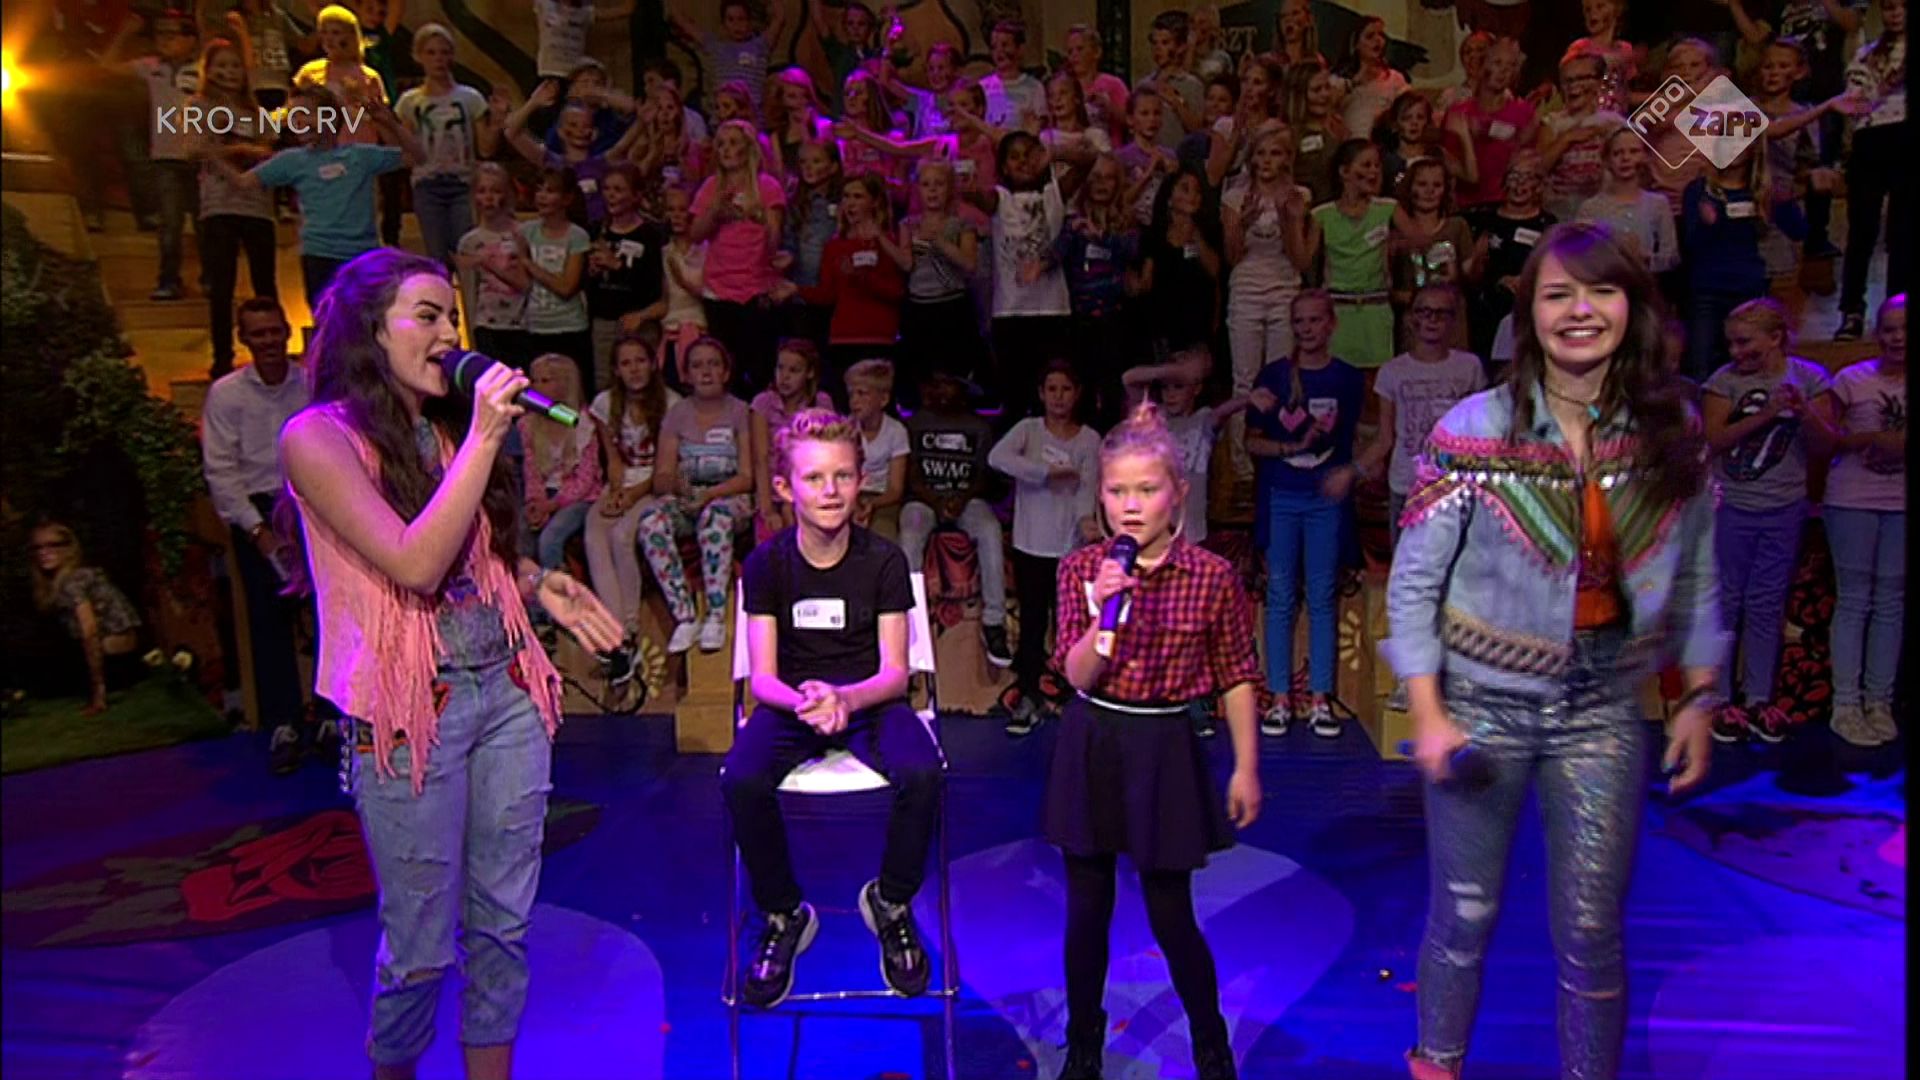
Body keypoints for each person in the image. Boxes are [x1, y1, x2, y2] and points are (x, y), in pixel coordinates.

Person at [1384, 223, 1724, 1080]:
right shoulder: (1472, 430)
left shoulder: (1669, 429)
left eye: (1601, 291)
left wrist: (1698, 696)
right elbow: (1413, 585)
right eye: (1558, 293)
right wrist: (1427, 711)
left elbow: (1697, 574)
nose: (1580, 310)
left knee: (1591, 930)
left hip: (1603, 708)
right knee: (1463, 917)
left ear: (1632, 307)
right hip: (1480, 707)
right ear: (1528, 313)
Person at [274, 248, 622, 1080]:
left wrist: (536, 583)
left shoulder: (443, 432)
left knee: (503, 928)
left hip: (504, 694)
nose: (448, 336)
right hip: (410, 713)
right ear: (371, 329)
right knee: (422, 947)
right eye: (427, 316)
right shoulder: (316, 438)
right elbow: (415, 561)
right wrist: (487, 435)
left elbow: (472, 558)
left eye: (453, 319)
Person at [1047, 400, 1263, 1080]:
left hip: (1165, 744)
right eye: (1117, 491)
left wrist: (1246, 767)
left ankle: (1209, 1041)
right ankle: (1084, 1043)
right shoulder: (1080, 569)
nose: (1131, 506)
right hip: (1094, 738)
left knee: (1171, 913)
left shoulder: (1212, 576)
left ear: (1178, 495)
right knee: (1087, 911)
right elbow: (1076, 673)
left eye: (1146, 490)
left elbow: (1236, 675)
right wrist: (1102, 612)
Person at [722, 408, 943, 1008]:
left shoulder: (884, 561)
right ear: (784, 487)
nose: (829, 490)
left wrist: (846, 698)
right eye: (814, 478)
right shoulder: (766, 564)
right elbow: (763, 678)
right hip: (792, 704)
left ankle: (891, 900)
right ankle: (784, 912)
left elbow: (895, 673)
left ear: (860, 480)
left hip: (869, 700)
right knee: (741, 777)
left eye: (842, 476)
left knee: (923, 772)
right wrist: (810, 702)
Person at [1701, 298, 1836, 744]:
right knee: (1727, 602)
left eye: (1745, 342)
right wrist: (1766, 414)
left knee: (1766, 603)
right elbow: (1714, 439)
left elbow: (1826, 446)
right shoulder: (1723, 382)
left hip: (1785, 508)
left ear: (1776, 337)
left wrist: (1803, 412)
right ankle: (1720, 700)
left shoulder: (1810, 378)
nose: (1736, 352)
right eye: (1731, 343)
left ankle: (1759, 698)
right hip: (1732, 507)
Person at [201, 298, 319, 773]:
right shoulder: (226, 395)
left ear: (287, 331)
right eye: (258, 333)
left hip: (313, 505)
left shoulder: (310, 384)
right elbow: (221, 472)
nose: (269, 341)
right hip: (258, 512)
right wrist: (259, 532)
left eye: (275, 331)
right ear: (243, 339)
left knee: (330, 615)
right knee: (268, 622)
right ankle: (283, 724)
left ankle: (333, 718)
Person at [1248, 291, 1366, 738]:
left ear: (1331, 323)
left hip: (1325, 501)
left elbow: (1361, 438)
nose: (1306, 329)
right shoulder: (1274, 375)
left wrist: (1352, 473)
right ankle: (1279, 698)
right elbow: (1251, 441)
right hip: (1282, 494)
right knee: (1279, 595)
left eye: (1315, 320)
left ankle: (1320, 699)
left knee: (1321, 596)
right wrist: (1289, 447)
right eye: (1299, 321)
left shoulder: (1347, 378)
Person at [988, 360, 1101, 735]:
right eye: (1051, 389)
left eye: (1065, 389)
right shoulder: (1028, 430)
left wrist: (1086, 523)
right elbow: (997, 458)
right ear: (1041, 393)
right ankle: (1028, 696)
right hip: (1031, 544)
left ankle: (1072, 698)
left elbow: (1088, 487)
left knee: (1072, 626)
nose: (1058, 397)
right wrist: (1045, 473)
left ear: (1077, 393)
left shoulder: (1089, 440)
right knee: (1033, 624)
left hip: (1070, 549)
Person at [1824, 293, 1907, 747]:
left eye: (1905, 330)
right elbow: (1826, 439)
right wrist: (1868, 439)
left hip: (1901, 504)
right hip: (1852, 500)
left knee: (1890, 601)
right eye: (1890, 329)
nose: (1898, 338)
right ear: (1878, 333)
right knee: (1855, 599)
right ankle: (1845, 705)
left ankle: (1879, 702)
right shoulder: (1851, 379)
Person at [638, 336, 756, 654]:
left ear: (726, 372)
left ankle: (715, 615)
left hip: (728, 497)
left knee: (715, 518)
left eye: (713, 364)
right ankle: (685, 616)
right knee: (650, 522)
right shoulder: (677, 414)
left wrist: (710, 495)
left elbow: (747, 477)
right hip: (689, 496)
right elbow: (662, 477)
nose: (705, 372)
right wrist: (682, 488)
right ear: (686, 374)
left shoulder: (741, 412)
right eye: (697, 366)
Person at [898, 370, 1012, 667]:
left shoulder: (979, 428)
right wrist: (936, 501)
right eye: (936, 384)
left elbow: (984, 476)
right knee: (910, 535)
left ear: (962, 390)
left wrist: (961, 499)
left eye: (947, 384)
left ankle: (994, 623)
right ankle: (909, 623)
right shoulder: (915, 424)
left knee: (989, 529)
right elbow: (911, 476)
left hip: (966, 499)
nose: (940, 390)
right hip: (923, 499)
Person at [28, 522, 144, 716]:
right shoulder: (59, 582)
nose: (44, 552)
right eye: (37, 547)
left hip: (117, 663)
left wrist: (99, 692)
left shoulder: (75, 580)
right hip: (112, 658)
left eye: (53, 545)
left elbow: (90, 633)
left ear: (69, 549)